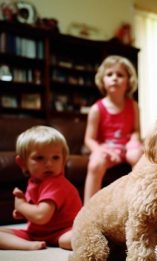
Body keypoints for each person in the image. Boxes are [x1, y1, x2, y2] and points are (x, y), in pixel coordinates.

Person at [0, 126, 82, 250]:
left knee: (69, 240)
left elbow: (41, 216)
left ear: (63, 160)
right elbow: (36, 211)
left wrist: (21, 205)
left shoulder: (55, 183)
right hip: (36, 233)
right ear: (22, 163)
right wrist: (25, 213)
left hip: (64, 230)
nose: (49, 164)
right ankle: (27, 245)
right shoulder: (35, 181)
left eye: (55, 157)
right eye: (39, 158)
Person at [83, 55, 143, 203]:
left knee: (137, 155)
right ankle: (88, 210)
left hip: (127, 146)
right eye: (109, 74)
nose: (114, 78)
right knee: (95, 164)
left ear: (129, 81)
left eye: (120, 75)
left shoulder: (133, 106)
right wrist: (99, 150)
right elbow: (89, 139)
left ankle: (140, 202)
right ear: (103, 80)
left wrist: (134, 140)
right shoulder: (97, 109)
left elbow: (136, 130)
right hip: (106, 148)